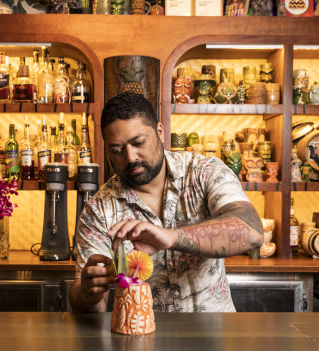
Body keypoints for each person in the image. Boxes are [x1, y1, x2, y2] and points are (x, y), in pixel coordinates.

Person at [69, 92, 263, 313]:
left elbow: (252, 231)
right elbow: (91, 305)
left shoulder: (204, 172)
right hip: (141, 335)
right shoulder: (98, 209)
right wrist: (86, 293)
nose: (130, 157)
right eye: (116, 150)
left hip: (215, 333)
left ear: (160, 132)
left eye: (138, 142)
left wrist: (172, 237)